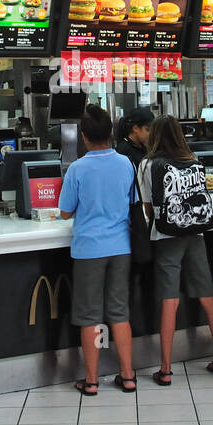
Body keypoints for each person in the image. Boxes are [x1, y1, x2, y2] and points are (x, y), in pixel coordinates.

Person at [138, 115, 213, 384]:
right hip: (196, 234)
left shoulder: (147, 164)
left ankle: (166, 368)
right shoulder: (195, 161)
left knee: (170, 300)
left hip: (166, 236)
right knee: (207, 295)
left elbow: (147, 208)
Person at [59, 104, 138, 396]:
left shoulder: (77, 169)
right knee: (119, 312)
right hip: (121, 247)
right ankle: (128, 375)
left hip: (89, 249)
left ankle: (91, 380)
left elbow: (66, 212)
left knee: (90, 315)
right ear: (111, 134)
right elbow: (133, 201)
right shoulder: (126, 164)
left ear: (84, 137)